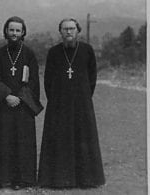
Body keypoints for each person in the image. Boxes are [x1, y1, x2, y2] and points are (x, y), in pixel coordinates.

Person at [38, 18, 105, 188]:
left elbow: (92, 77)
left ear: (78, 31)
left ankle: (87, 180)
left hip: (82, 104)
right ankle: (59, 179)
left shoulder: (87, 50)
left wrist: (83, 97)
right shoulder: (53, 52)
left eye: (72, 29)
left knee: (83, 139)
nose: (69, 32)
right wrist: (55, 100)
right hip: (59, 105)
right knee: (60, 139)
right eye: (65, 29)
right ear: (60, 32)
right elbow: (48, 80)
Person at [0, 16, 43, 192]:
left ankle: (20, 179)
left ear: (23, 32)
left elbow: (33, 82)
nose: (14, 33)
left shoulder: (29, 54)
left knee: (20, 142)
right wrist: (7, 95)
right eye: (11, 30)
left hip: (22, 107)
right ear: (6, 32)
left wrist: (20, 98)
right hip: (2, 106)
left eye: (18, 30)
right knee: (0, 141)